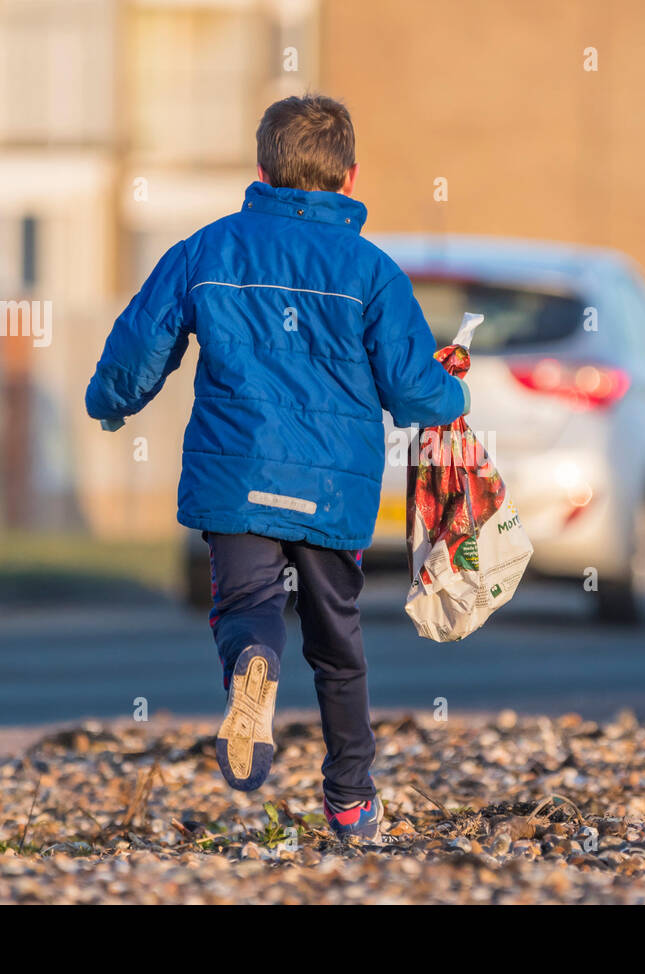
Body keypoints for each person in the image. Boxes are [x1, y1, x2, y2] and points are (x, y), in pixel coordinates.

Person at [84, 94, 468, 842]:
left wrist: (111, 401)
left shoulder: (207, 250)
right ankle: (351, 797)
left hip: (235, 478)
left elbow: (140, 345)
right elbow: (411, 387)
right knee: (337, 642)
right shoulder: (372, 271)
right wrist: (454, 387)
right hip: (333, 490)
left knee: (247, 605)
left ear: (261, 169)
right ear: (350, 179)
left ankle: (255, 663)